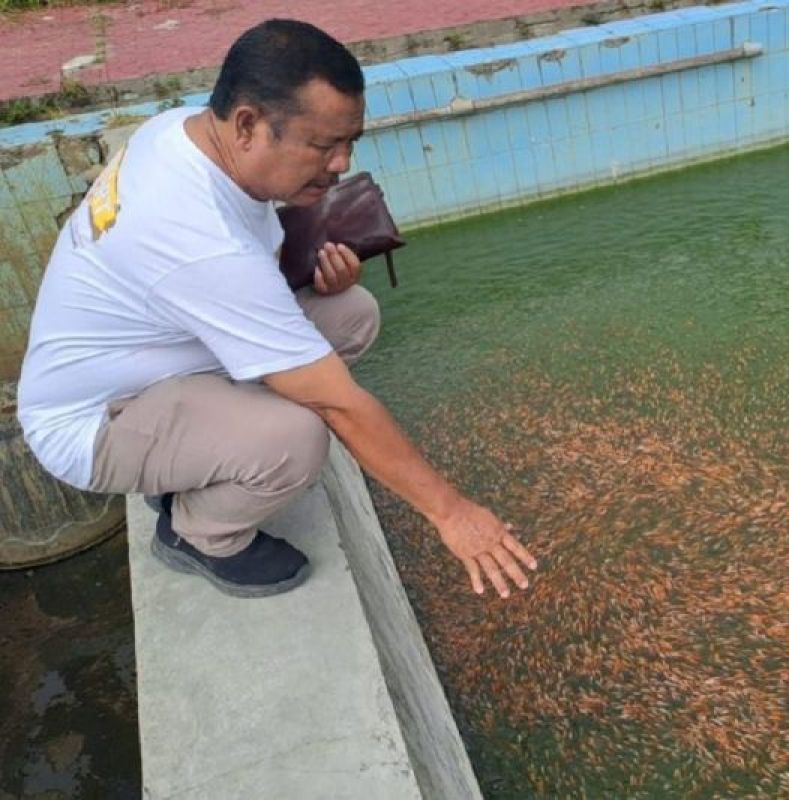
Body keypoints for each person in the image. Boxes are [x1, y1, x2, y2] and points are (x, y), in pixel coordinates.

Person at [16, 19, 536, 599]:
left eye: (350, 142)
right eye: (322, 145)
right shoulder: (193, 233)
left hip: (157, 361)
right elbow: (337, 402)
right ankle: (198, 532)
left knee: (352, 312)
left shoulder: (181, 132)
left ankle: (205, 456)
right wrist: (452, 513)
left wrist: (316, 268)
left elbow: (245, 264)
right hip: (92, 422)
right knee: (296, 437)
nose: (341, 163)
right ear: (247, 125)